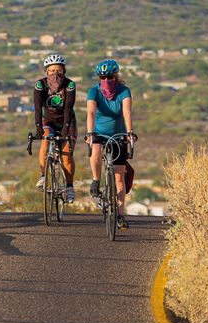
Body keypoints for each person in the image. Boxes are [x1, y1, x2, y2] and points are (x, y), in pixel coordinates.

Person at [85, 59, 136, 229]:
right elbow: (91, 112)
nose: (106, 80)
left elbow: (127, 112)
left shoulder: (124, 91)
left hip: (118, 134)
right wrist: (90, 132)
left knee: (119, 176)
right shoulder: (94, 92)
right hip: (99, 133)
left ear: (116, 76)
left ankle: (120, 214)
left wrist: (129, 133)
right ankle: (95, 180)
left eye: (110, 77)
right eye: (103, 77)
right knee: (96, 150)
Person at [33, 53, 77, 203]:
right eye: (52, 71)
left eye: (58, 70)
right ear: (46, 72)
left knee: (66, 155)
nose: (55, 74)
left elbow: (68, 108)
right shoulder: (41, 84)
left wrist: (65, 128)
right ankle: (43, 176)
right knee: (45, 140)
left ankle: (70, 187)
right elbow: (38, 107)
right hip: (49, 121)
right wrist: (38, 126)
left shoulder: (70, 85)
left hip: (67, 121)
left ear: (64, 71)